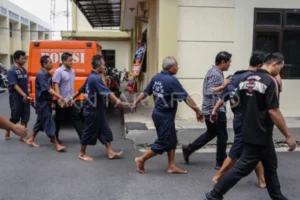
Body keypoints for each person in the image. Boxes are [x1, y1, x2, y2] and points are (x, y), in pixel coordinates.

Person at [202, 52, 297, 200]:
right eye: (281, 67)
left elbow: (236, 102)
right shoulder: (269, 81)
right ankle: (213, 195)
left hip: (252, 130)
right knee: (241, 168)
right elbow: (273, 111)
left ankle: (278, 196)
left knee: (271, 166)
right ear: (275, 64)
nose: (280, 71)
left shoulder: (245, 79)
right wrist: (288, 135)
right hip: (259, 132)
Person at [132, 56, 205, 174]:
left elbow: (146, 92)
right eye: (177, 65)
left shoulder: (156, 77)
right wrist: (198, 111)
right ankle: (141, 159)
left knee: (172, 140)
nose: (178, 67)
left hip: (159, 115)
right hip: (164, 116)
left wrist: (136, 101)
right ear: (171, 67)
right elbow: (186, 97)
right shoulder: (172, 80)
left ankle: (171, 166)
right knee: (163, 142)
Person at [210, 51, 266, 188]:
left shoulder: (234, 77)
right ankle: (218, 176)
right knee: (238, 149)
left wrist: (214, 110)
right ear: (260, 65)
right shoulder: (257, 79)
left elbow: (224, 96)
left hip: (239, 118)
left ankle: (262, 180)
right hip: (248, 119)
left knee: (254, 149)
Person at [182, 51, 232, 170]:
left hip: (210, 108)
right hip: (215, 110)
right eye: (228, 62)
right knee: (222, 135)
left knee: (212, 133)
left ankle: (189, 149)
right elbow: (208, 91)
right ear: (223, 62)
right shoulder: (215, 73)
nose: (229, 65)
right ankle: (220, 162)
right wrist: (223, 86)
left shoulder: (216, 72)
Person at [71, 55, 125, 161]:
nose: (105, 66)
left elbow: (80, 90)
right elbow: (107, 92)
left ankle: (110, 152)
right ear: (99, 66)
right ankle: (82, 153)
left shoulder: (92, 77)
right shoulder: (95, 78)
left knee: (104, 130)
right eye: (104, 64)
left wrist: (70, 98)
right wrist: (118, 101)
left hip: (98, 110)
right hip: (92, 111)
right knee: (88, 131)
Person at [26, 55, 66, 152]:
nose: (52, 63)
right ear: (44, 64)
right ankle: (56, 144)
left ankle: (31, 139)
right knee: (49, 123)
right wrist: (59, 96)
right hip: (42, 103)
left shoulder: (47, 74)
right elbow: (48, 89)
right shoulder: (41, 75)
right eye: (50, 62)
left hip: (46, 102)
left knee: (40, 121)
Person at [53, 52, 83, 144]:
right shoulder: (59, 71)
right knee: (58, 120)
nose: (72, 62)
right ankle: (55, 138)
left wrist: (72, 98)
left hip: (70, 100)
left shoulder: (72, 71)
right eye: (70, 60)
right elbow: (56, 85)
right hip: (62, 100)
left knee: (76, 118)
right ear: (64, 61)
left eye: (72, 60)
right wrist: (59, 98)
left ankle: (83, 138)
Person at [5, 50, 30, 142]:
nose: (24, 60)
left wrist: (27, 94)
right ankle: (8, 131)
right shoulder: (12, 71)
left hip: (25, 96)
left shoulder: (24, 70)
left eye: (25, 58)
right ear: (16, 59)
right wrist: (23, 94)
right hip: (16, 96)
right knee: (15, 115)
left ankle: (22, 136)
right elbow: (14, 85)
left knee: (25, 115)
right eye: (22, 58)